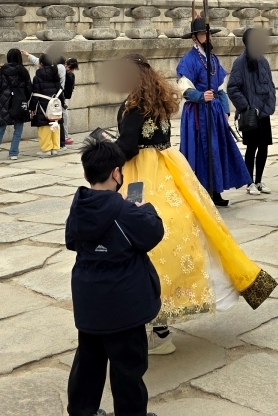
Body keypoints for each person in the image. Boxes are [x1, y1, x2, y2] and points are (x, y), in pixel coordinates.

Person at [102, 53, 276, 354]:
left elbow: (128, 146)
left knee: (140, 241)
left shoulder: (134, 105)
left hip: (141, 175)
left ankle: (156, 326)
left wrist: (104, 151)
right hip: (168, 167)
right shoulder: (156, 98)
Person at [66, 139, 163, 416]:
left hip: (89, 302)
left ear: (86, 174)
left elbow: (72, 242)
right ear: (116, 173)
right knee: (128, 368)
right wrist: (144, 208)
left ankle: (82, 412)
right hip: (125, 305)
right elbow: (153, 233)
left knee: (88, 363)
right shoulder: (125, 211)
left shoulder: (79, 207)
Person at [177, 17, 251, 207]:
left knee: (217, 150)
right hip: (198, 113)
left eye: (209, 34)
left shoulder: (213, 59)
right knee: (201, 151)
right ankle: (203, 191)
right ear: (195, 38)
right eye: (204, 34)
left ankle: (216, 190)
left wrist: (225, 110)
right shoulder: (188, 60)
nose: (208, 37)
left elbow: (221, 89)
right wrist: (201, 96)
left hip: (215, 112)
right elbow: (184, 89)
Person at [227, 27, 277, 195]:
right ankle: (249, 183)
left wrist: (269, 104)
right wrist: (246, 106)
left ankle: (259, 180)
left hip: (263, 112)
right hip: (250, 114)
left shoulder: (263, 61)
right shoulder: (239, 63)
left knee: (264, 147)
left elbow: (270, 85)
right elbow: (232, 88)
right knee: (251, 147)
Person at [0, 48, 32, 161]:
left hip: (4, 101)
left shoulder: (3, 70)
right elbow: (29, 89)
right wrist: (23, 99)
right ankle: (13, 153)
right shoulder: (23, 71)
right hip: (19, 101)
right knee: (18, 129)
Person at [31, 51, 65, 157]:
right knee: (55, 124)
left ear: (41, 63)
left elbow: (35, 94)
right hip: (55, 105)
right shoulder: (55, 74)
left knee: (44, 127)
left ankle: (46, 149)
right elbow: (60, 91)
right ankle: (55, 148)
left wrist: (32, 108)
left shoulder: (37, 77)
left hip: (43, 105)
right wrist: (62, 104)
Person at [62, 57, 79, 146]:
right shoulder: (68, 74)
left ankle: (64, 137)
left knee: (64, 117)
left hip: (62, 98)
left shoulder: (69, 75)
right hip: (60, 98)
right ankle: (64, 137)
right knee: (63, 117)